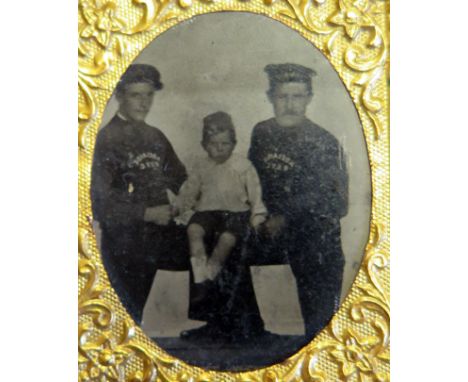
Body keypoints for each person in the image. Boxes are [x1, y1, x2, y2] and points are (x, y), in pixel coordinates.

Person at [248, 63, 349, 339]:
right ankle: (247, 336)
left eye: (298, 96)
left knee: (320, 249)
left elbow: (339, 202)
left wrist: (288, 216)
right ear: (271, 97)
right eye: (283, 97)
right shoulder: (262, 133)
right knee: (226, 235)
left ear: (309, 98)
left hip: (306, 231)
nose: (290, 105)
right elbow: (250, 181)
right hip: (268, 226)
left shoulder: (324, 142)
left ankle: (319, 340)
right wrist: (259, 217)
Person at [90, 64, 189, 324]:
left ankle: (220, 334)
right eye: (136, 95)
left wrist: (183, 200)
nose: (144, 102)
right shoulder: (106, 139)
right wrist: (146, 213)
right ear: (120, 96)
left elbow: (181, 178)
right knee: (124, 314)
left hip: (162, 231)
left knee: (218, 247)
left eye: (148, 95)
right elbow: (99, 202)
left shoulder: (155, 136)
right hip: (127, 238)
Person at [175, 111, 267, 304]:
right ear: (204, 145)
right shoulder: (201, 166)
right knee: (193, 230)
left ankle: (210, 277)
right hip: (208, 212)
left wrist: (257, 216)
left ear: (233, 144)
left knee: (225, 240)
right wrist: (181, 208)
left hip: (236, 214)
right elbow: (189, 191)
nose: (220, 149)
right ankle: (200, 279)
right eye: (213, 145)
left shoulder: (243, 166)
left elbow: (255, 193)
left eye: (225, 144)